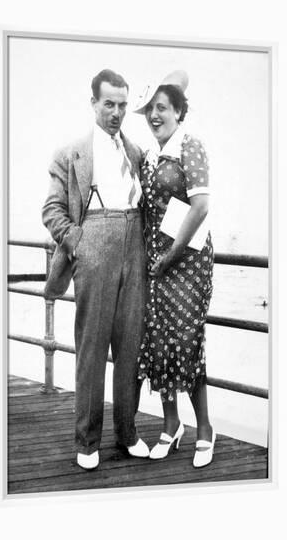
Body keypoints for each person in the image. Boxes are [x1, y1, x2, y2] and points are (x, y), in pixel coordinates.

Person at [42, 69, 149, 470]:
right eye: (109, 104)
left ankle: (127, 432)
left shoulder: (135, 153)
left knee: (130, 346)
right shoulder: (70, 154)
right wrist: (79, 242)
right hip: (94, 244)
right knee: (91, 348)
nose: (117, 112)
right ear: (93, 104)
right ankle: (87, 440)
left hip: (133, 243)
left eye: (122, 105)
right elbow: (51, 210)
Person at [134, 70, 215, 467]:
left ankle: (205, 430)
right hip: (156, 262)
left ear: (179, 112)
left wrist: (171, 255)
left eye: (162, 108)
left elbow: (200, 207)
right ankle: (171, 424)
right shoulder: (149, 155)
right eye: (150, 109)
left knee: (186, 340)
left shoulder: (190, 146)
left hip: (188, 262)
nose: (154, 115)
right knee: (158, 340)